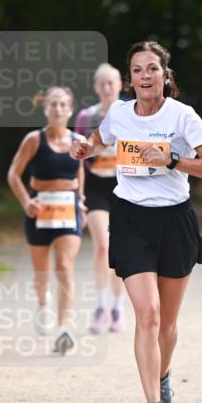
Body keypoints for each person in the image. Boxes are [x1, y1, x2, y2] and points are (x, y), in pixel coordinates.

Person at [70, 41, 202, 403]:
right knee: (148, 314)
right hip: (131, 218)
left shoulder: (183, 117)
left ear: (164, 75)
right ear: (130, 78)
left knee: (167, 325)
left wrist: (171, 159)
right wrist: (85, 147)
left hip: (175, 221)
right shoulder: (119, 114)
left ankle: (164, 373)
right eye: (137, 70)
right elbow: (99, 142)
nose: (144, 76)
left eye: (152, 69)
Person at [7, 86, 85, 355]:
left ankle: (64, 328)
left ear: (71, 109)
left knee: (64, 266)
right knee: (42, 276)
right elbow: (14, 175)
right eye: (53, 105)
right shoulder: (34, 140)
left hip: (68, 210)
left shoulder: (78, 140)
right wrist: (27, 202)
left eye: (63, 105)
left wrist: (81, 199)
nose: (58, 109)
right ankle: (43, 303)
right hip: (39, 211)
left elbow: (80, 170)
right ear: (45, 109)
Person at [75, 63, 126, 334]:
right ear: (96, 87)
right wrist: (78, 195)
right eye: (103, 83)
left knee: (119, 250)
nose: (108, 88)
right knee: (103, 247)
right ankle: (100, 306)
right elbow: (78, 155)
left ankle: (118, 307)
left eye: (112, 83)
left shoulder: (131, 113)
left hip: (123, 187)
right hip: (95, 187)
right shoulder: (87, 116)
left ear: (120, 85)